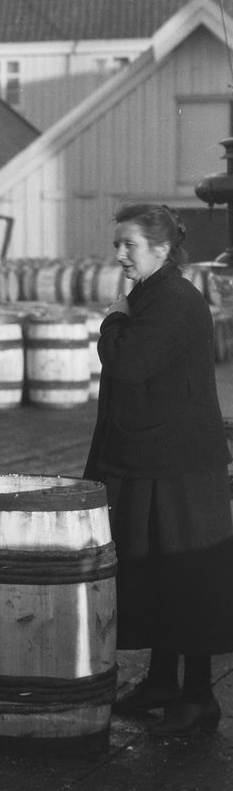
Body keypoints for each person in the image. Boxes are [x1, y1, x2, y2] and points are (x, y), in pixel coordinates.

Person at [84, 204, 233, 736]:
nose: (120, 253)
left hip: (180, 468)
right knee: (157, 575)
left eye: (130, 244)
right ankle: (163, 681)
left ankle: (197, 698)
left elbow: (127, 363)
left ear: (162, 249)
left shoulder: (170, 300)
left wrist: (114, 317)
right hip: (153, 458)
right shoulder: (154, 293)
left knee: (187, 579)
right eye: (118, 243)